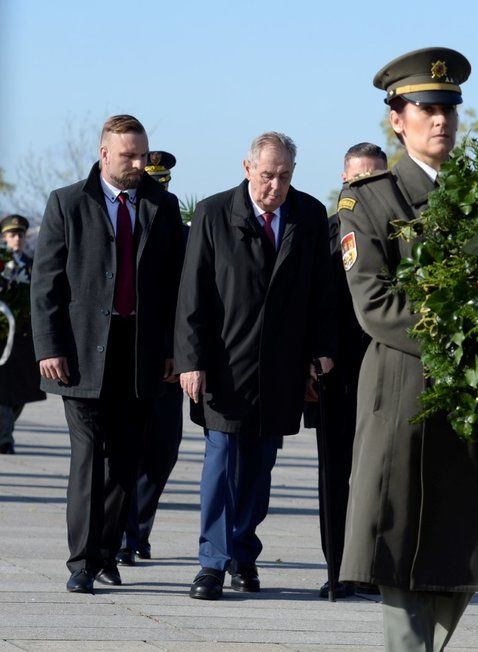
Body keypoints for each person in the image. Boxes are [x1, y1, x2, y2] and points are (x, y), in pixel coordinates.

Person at [337, 48, 478, 650]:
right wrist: (464, 339)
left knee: (464, 550)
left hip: (472, 403)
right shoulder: (370, 200)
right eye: (426, 108)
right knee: (400, 547)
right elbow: (376, 306)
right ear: (397, 119)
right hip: (404, 391)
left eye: (448, 109)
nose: (440, 120)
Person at [174, 132, 337, 601]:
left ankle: (243, 551)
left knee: (259, 468)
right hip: (226, 364)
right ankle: (211, 563)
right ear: (248, 167)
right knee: (222, 461)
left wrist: (321, 351)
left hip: (282, 367)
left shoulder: (308, 215)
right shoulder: (213, 212)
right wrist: (191, 360)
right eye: (267, 175)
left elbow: (322, 293)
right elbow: (192, 294)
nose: (275, 185)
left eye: (285, 176)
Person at [31, 114, 185, 593]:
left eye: (142, 154)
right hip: (81, 353)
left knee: (127, 459)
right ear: (104, 154)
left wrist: (171, 351)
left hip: (139, 352)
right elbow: (47, 284)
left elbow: (176, 288)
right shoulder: (68, 202)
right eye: (128, 156)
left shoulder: (163, 206)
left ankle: (107, 551)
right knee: (88, 453)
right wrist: (49, 347)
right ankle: (82, 561)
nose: (138, 164)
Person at [314, 142, 386, 600]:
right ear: (343, 180)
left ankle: (375, 568)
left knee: (379, 474)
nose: (363, 187)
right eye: (357, 179)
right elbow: (313, 303)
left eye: (373, 179)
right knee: (335, 472)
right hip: (336, 373)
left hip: (385, 369)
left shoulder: (400, 231)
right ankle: (338, 568)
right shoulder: (324, 233)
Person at [116, 150, 185, 565]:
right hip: (124, 353)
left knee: (162, 451)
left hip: (165, 360)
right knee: (126, 448)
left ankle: (138, 526)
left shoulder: (178, 226)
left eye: (163, 183)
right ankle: (126, 535)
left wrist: (179, 353)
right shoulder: (120, 221)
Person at [0, 214, 46, 455]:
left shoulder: (32, 265)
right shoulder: (0, 266)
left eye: (19, 234)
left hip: (24, 340)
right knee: (3, 392)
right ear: (4, 237)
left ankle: (5, 430)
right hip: (1, 341)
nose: (16, 239)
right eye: (11, 234)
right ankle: (4, 439)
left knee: (19, 394)